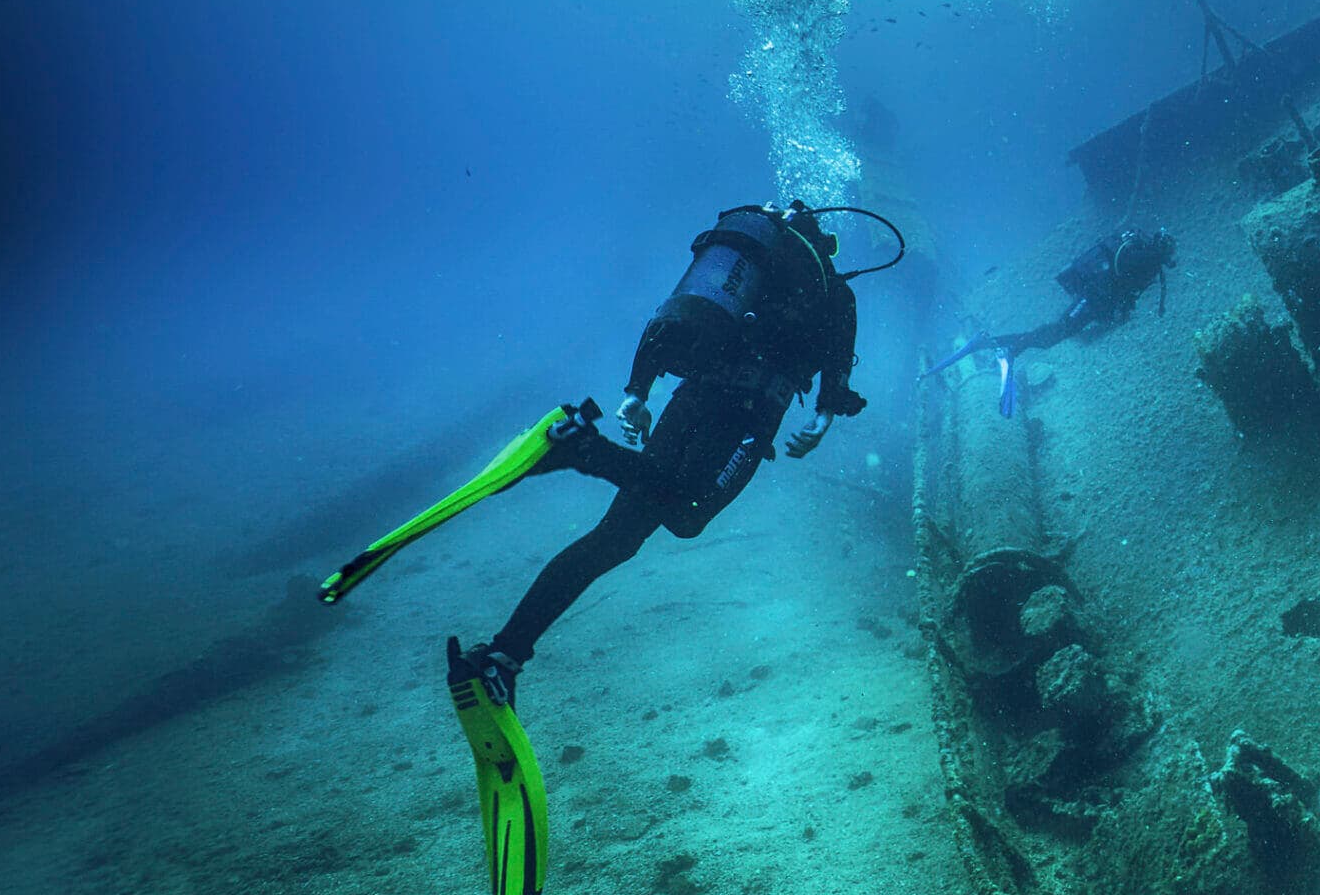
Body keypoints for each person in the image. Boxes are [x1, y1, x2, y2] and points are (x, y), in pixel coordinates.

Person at [452, 202, 868, 702]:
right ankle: (583, 450)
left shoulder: (741, 267)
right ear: (827, 245)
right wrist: (820, 419)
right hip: (747, 417)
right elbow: (837, 371)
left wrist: (637, 391)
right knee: (688, 516)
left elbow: (675, 316)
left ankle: (503, 656)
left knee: (615, 539)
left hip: (691, 398)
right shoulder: (834, 292)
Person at [928, 225, 1176, 415]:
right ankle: (1009, 349)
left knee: (1057, 333)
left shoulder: (1147, 256)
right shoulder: (1148, 259)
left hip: (1097, 301)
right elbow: (1124, 278)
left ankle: (988, 342)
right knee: (1058, 332)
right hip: (1092, 299)